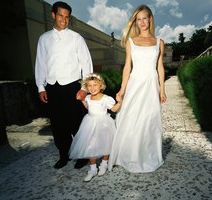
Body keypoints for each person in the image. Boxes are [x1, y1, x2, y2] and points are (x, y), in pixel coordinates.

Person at [108, 4, 167, 173]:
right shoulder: (131, 42)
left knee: (149, 120)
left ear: (150, 19)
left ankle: (147, 155)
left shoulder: (159, 42)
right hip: (135, 84)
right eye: (138, 19)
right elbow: (127, 67)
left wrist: (162, 90)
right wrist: (122, 89)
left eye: (145, 18)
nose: (142, 22)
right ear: (136, 21)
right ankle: (129, 155)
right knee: (132, 118)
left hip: (150, 84)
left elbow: (160, 67)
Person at [35, 1, 93, 169]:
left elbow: (86, 65)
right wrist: (41, 87)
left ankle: (82, 155)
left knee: (77, 123)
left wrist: (84, 88)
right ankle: (64, 155)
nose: (64, 20)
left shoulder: (76, 38)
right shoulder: (44, 39)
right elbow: (41, 64)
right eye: (61, 15)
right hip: (52, 87)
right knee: (58, 124)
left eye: (67, 17)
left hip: (72, 87)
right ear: (53, 15)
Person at [69, 73, 122, 181]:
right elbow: (88, 107)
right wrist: (82, 100)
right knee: (90, 145)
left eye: (95, 85)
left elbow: (113, 109)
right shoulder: (88, 97)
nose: (92, 88)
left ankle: (104, 163)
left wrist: (120, 102)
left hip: (104, 123)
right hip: (89, 123)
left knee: (106, 143)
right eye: (89, 86)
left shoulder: (106, 98)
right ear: (86, 87)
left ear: (101, 85)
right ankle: (93, 169)